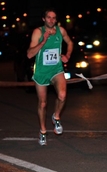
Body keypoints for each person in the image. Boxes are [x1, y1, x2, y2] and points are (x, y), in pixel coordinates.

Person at [27, 8, 73, 146]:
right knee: (42, 103)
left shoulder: (61, 31)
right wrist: (43, 41)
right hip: (41, 72)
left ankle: (56, 116)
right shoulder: (38, 32)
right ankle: (42, 131)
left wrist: (67, 55)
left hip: (56, 69)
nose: (51, 20)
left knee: (63, 95)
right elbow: (29, 54)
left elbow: (70, 43)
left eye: (54, 18)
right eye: (48, 17)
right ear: (44, 19)